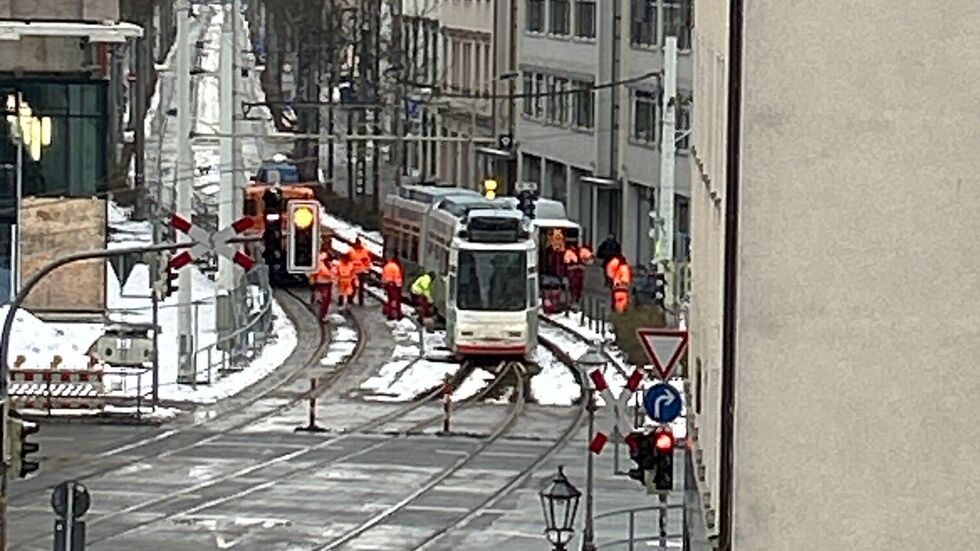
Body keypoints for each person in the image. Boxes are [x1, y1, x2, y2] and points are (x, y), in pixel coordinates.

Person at [309, 249, 335, 322]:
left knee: (327, 300)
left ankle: (323, 314)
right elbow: (314, 273)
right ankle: (322, 315)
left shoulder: (332, 265)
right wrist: (312, 280)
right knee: (325, 300)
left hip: (328, 283)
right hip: (321, 283)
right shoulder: (320, 265)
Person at [349, 238, 373, 306]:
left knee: (361, 288)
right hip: (353, 272)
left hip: (361, 272)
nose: (358, 245)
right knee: (353, 287)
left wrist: (367, 268)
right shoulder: (351, 251)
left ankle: (360, 302)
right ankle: (350, 299)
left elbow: (367, 260)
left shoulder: (364, 251)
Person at [381, 257, 404, 321]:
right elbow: (397, 277)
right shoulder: (395, 267)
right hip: (394, 285)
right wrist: (399, 285)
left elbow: (383, 276)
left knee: (390, 300)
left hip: (388, 284)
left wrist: (383, 284)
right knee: (396, 300)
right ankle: (398, 315)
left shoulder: (386, 266)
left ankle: (390, 315)